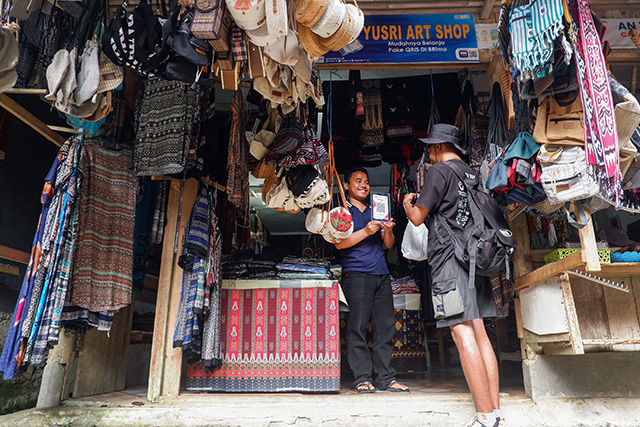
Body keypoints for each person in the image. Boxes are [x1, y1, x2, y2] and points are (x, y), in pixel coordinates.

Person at [403, 124, 502, 427]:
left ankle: (485, 417)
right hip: (475, 259)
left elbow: (418, 218)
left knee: (461, 333)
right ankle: (494, 412)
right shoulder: (471, 173)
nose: (428, 154)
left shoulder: (438, 171)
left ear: (437, 146)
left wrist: (409, 203)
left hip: (448, 260)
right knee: (480, 331)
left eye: (429, 148)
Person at [335, 167, 409, 393]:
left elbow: (388, 245)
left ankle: (386, 378)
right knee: (357, 327)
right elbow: (339, 243)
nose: (364, 185)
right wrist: (367, 231)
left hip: (381, 275)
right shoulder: (342, 212)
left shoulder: (376, 211)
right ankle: (362, 378)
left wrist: (387, 230)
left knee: (385, 327)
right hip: (356, 275)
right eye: (358, 181)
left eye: (366, 182)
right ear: (347, 186)